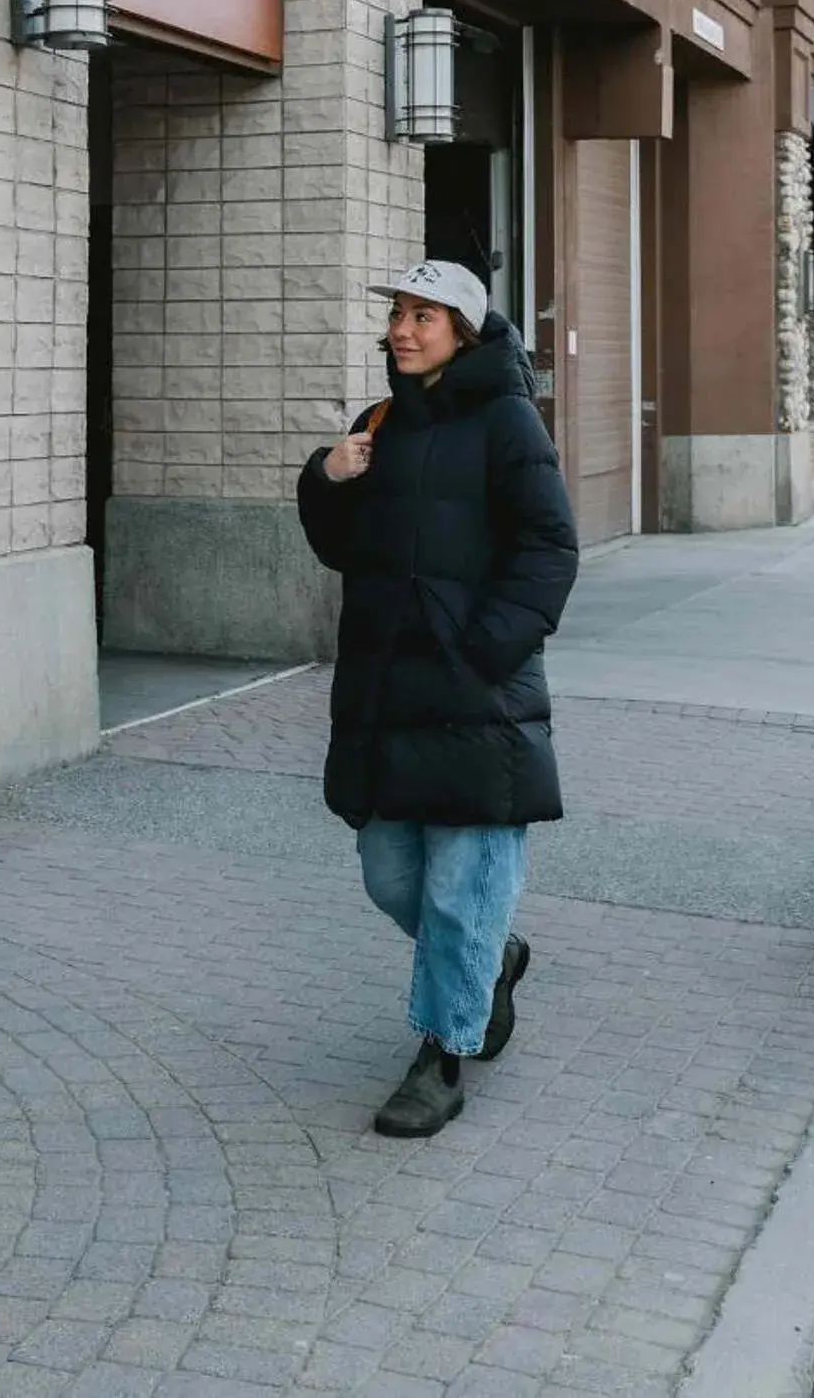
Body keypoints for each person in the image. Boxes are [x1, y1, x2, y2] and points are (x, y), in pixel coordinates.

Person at [296, 259, 578, 1139]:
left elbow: (548, 545)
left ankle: (441, 1054)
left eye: (424, 316)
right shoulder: (375, 424)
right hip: (385, 691)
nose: (403, 330)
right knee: (390, 876)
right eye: (397, 316)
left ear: (463, 330)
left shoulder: (505, 421)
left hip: (474, 694)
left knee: (461, 889)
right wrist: (326, 478)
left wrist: (486, 645)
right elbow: (342, 550)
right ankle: (490, 956)